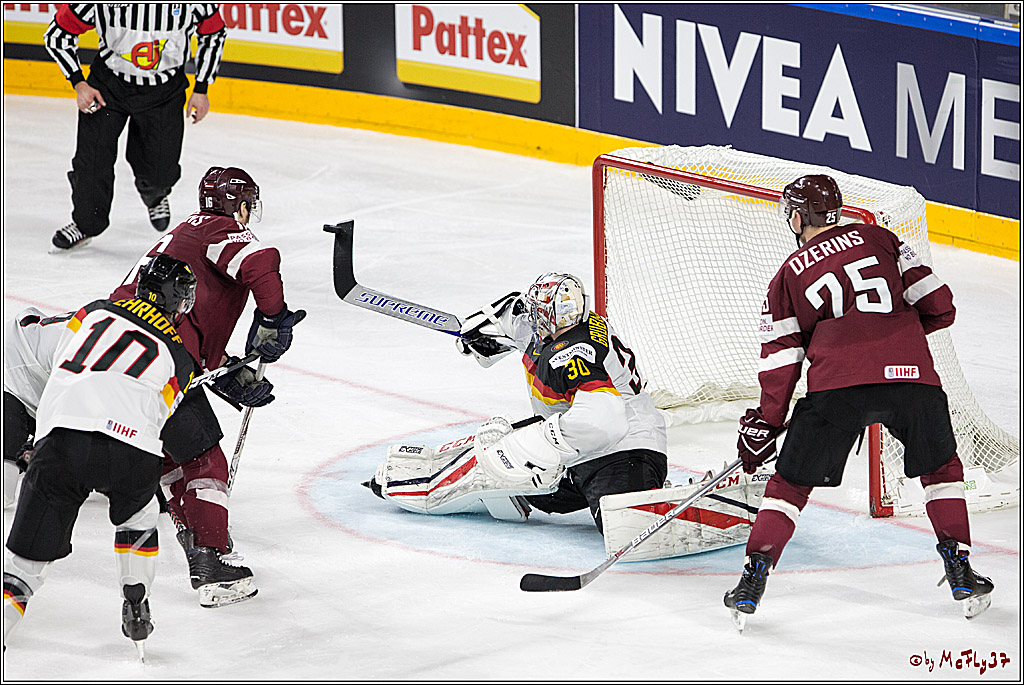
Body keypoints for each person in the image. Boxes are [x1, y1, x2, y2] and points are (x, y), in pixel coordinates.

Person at [723, 174, 994, 628]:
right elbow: (941, 305)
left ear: (796, 216)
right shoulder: (880, 237)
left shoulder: (789, 273)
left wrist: (767, 422)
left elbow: (783, 358)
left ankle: (753, 578)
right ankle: (960, 569)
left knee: (789, 485)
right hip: (913, 381)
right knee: (941, 470)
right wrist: (891, 341)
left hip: (836, 389)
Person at [109, 165, 304, 608]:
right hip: (156, 358)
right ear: (238, 203)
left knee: (165, 447)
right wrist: (274, 318)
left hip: (108, 344)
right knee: (203, 456)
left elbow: (187, 324)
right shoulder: (221, 231)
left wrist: (229, 372)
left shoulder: (183, 234)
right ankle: (212, 563)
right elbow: (261, 261)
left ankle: (193, 531)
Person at [3, 255, 197, 657]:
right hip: (129, 449)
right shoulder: (180, 357)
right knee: (138, 521)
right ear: (178, 300)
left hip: (61, 439)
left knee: (23, 566)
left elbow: (69, 352)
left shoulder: (94, 311)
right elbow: (161, 411)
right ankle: (136, 600)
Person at [369, 272, 668, 533]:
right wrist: (479, 332)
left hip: (623, 450)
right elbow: (509, 316)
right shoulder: (541, 322)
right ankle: (421, 476)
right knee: (495, 475)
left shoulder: (574, 353)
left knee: (627, 524)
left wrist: (529, 444)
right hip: (575, 456)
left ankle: (664, 499)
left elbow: (602, 423)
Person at [43, 3, 227, 252]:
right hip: (107, 88)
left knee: (160, 170)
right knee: (92, 160)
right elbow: (57, 35)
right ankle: (86, 223)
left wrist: (202, 87)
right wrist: (79, 83)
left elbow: (214, 33)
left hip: (165, 91)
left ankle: (155, 192)